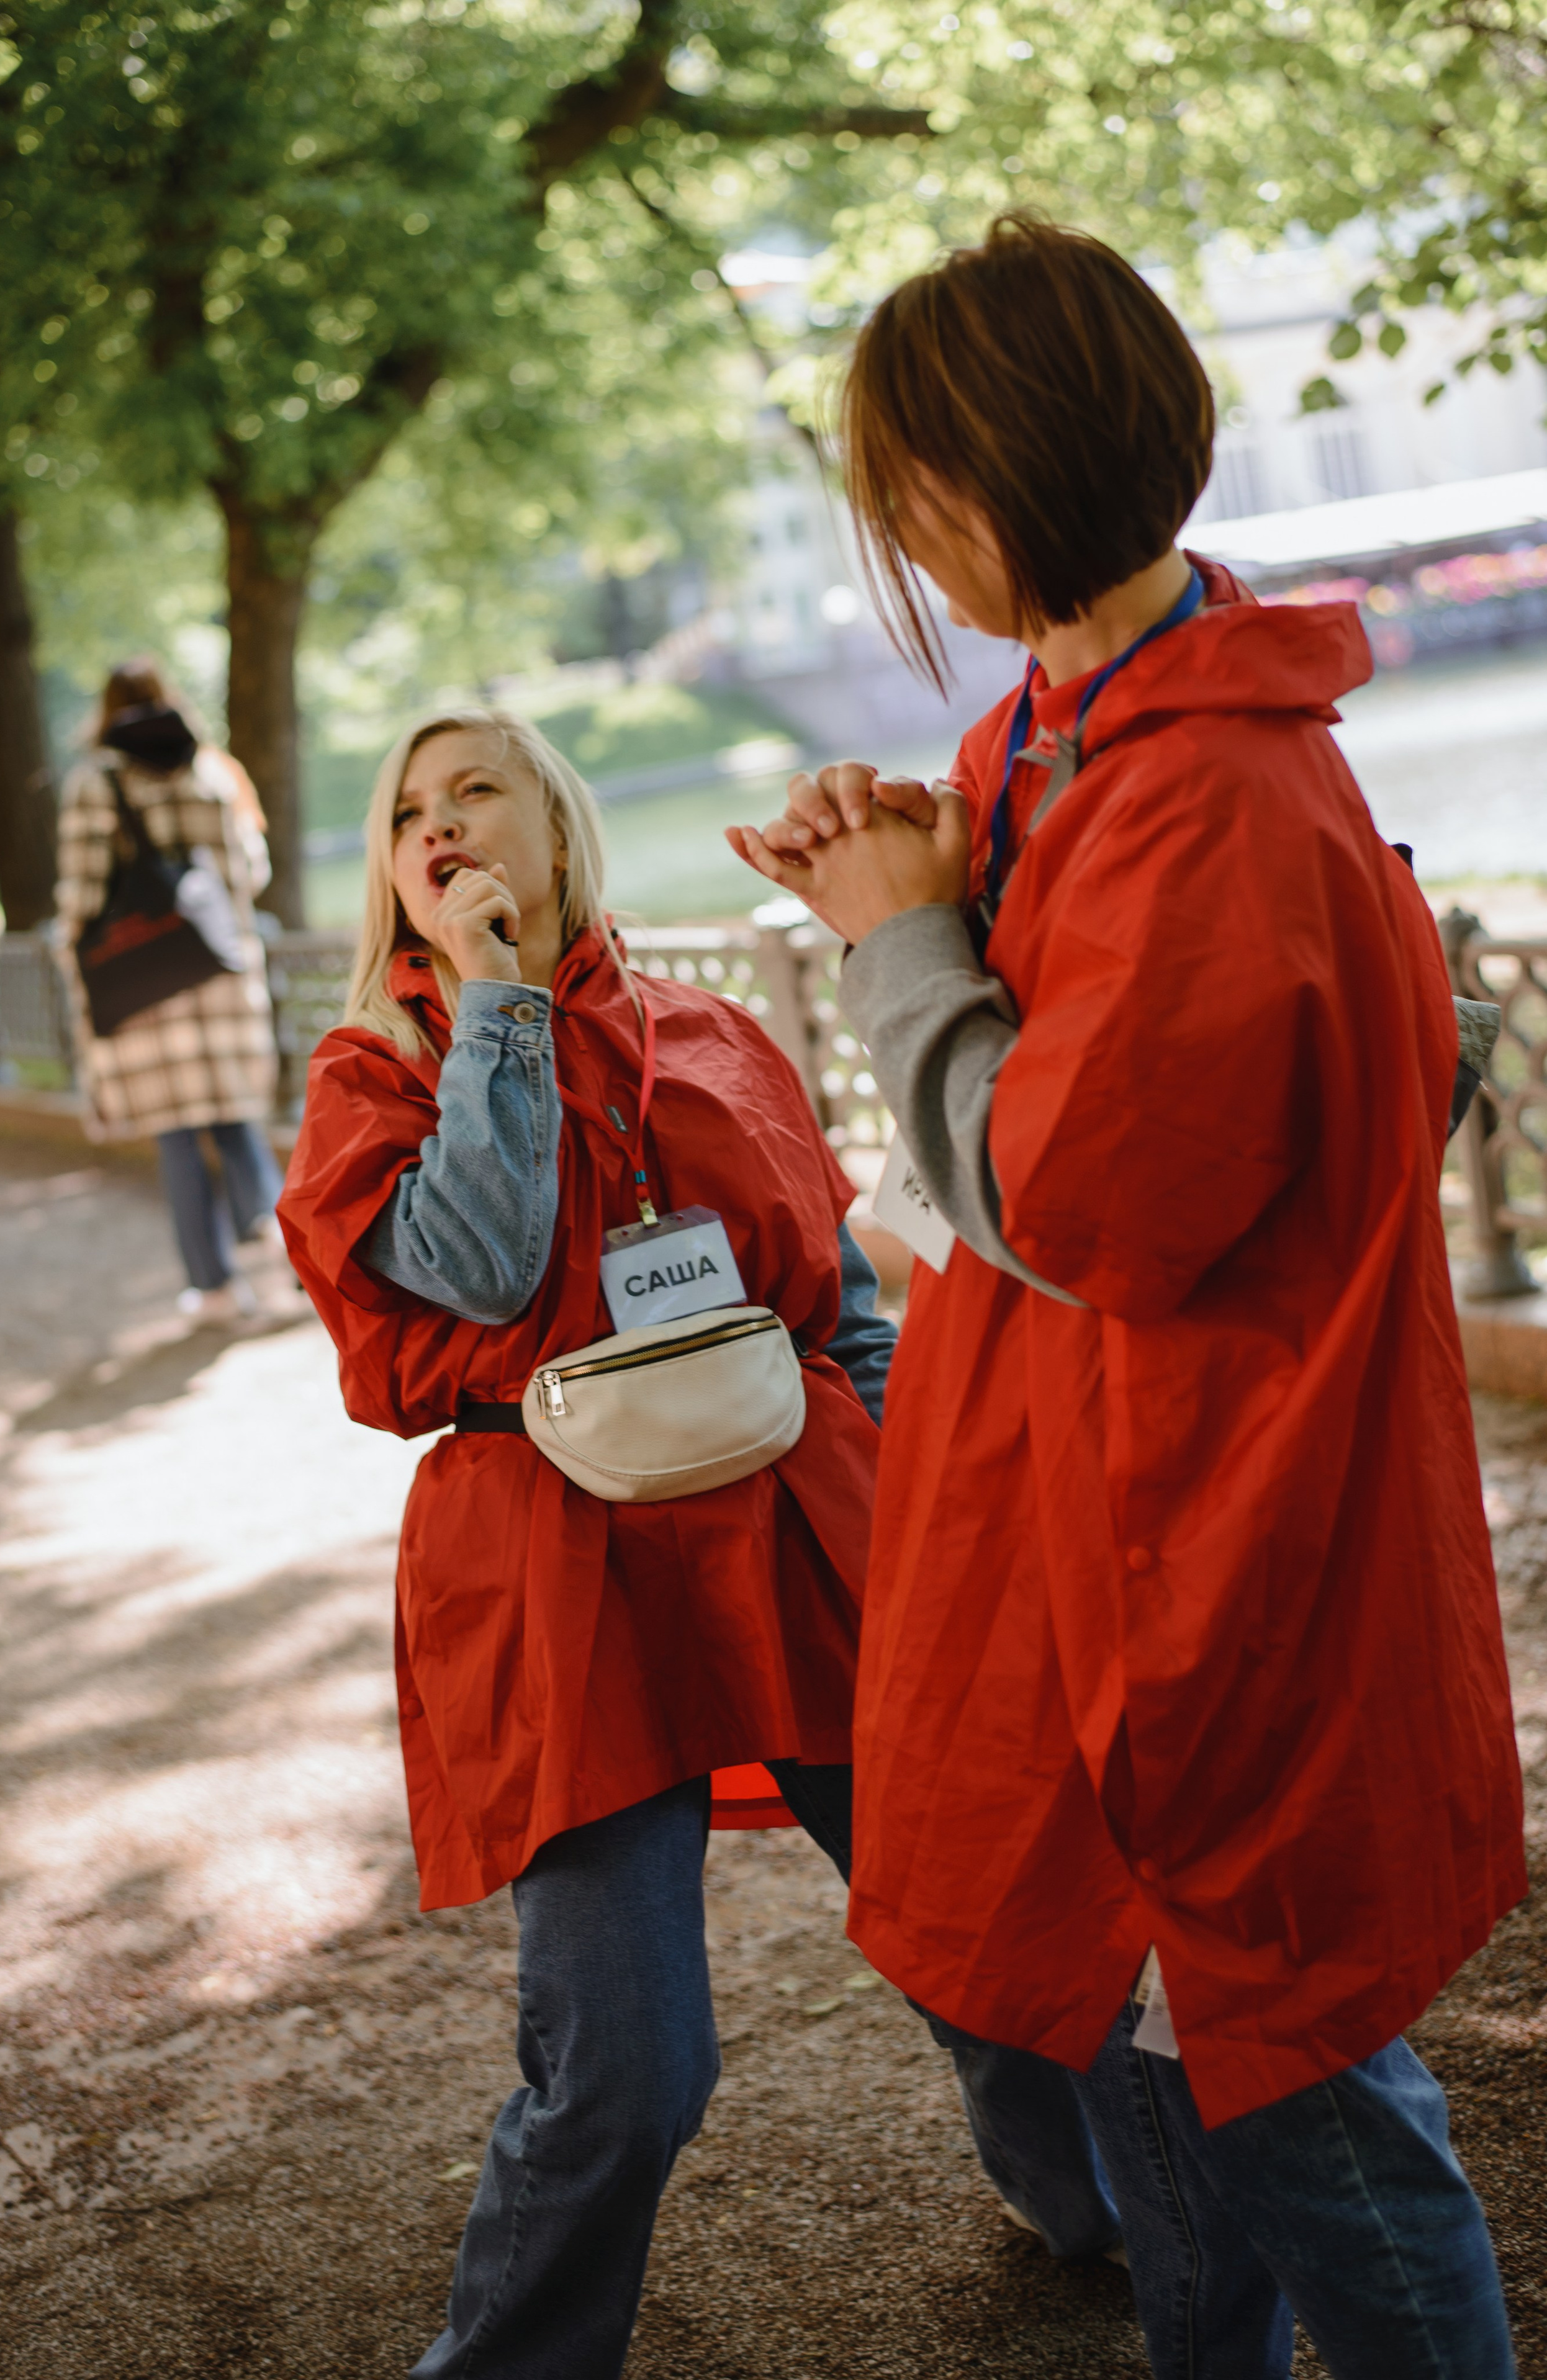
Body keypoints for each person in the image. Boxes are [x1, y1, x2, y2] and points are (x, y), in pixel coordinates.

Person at [728, 212, 1525, 2380]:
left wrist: (900, 940)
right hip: (1094, 1508)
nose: (893, 532)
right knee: (1177, 2063)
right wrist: (895, 865)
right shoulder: (1069, 731)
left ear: (1013, 477)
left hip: (1201, 1542)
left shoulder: (1209, 791)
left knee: (1296, 2093)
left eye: (907, 489)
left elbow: (1079, 1200)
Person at [277, 703, 1123, 2380]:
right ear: (390, 874)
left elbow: (841, 1301)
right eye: (407, 815)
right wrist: (499, 1004)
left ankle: (1097, 2213)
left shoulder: (716, 1032)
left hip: (804, 1511)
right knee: (632, 2062)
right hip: (552, 1553)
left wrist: (922, 1521)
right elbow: (479, 1267)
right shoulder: (371, 1072)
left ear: (558, 822)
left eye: (477, 794)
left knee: (985, 1913)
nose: (439, 828)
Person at [56, 658, 282, 1321]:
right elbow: (251, 871)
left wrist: (76, 969)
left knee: (178, 1138)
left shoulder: (95, 781)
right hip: (221, 975)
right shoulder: (216, 770)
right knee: (237, 1120)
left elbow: (81, 894)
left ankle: (214, 1287)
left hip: (144, 984)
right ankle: (281, 1243)